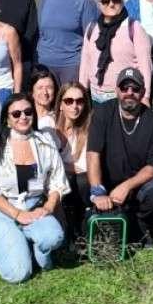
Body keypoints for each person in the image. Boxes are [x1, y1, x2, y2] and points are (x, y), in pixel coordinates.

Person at [0, 95, 70, 282]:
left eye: (27, 112)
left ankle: (30, 248)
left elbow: (57, 182)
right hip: (5, 210)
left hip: (35, 208)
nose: (23, 117)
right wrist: (18, 215)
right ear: (7, 120)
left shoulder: (45, 141)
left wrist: (48, 208)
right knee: (19, 274)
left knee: (54, 237)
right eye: (16, 113)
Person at [85, 68, 153, 246]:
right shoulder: (102, 113)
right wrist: (98, 192)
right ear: (117, 90)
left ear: (143, 92)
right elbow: (93, 154)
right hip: (107, 182)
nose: (129, 93)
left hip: (137, 185)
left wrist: (127, 186)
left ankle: (139, 225)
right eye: (124, 88)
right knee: (80, 183)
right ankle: (96, 225)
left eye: (135, 88)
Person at [78, 0, 151, 106]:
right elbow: (86, 61)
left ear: (122, 1)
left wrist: (145, 96)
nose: (111, 4)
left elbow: (145, 65)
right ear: (98, 4)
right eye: (105, 1)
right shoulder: (92, 28)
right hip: (96, 95)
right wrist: (82, 91)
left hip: (125, 94)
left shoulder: (134, 27)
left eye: (116, 0)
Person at [36, 0, 97, 87]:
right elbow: (41, 32)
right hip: (45, 64)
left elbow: (90, 37)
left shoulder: (83, 0)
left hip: (72, 65)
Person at [54, 80, 96, 233]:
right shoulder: (50, 127)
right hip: (59, 179)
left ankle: (80, 228)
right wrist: (68, 166)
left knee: (82, 180)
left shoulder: (89, 128)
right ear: (60, 104)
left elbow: (86, 166)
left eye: (79, 101)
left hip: (82, 180)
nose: (74, 106)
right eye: (69, 101)